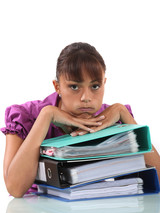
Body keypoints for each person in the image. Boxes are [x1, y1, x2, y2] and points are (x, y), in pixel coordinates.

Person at [1, 42, 160, 198]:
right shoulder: (26, 115)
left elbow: (157, 180)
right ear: (57, 87)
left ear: (104, 83)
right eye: (74, 87)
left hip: (94, 210)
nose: (86, 98)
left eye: (95, 86)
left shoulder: (112, 117)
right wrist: (46, 115)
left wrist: (124, 113)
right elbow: (15, 189)